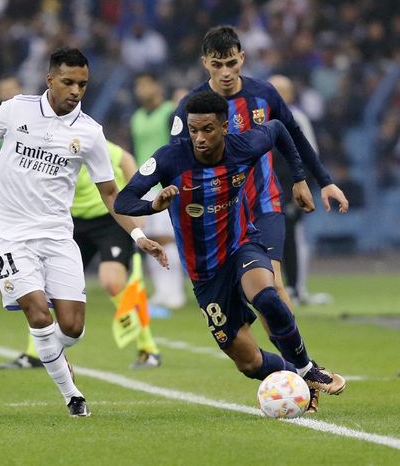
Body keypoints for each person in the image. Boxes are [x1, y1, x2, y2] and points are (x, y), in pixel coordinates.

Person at [0, 47, 168, 417]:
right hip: (10, 231)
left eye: (82, 84)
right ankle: (73, 396)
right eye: (68, 82)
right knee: (39, 314)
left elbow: (110, 193)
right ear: (49, 79)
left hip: (57, 234)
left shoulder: (89, 132)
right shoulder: (16, 109)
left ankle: (54, 354)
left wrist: (138, 235)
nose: (75, 90)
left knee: (71, 328)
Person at [116, 91, 346, 412]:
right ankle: (293, 376)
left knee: (266, 295)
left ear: (225, 126)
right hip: (205, 273)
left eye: (207, 129)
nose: (199, 138)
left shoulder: (244, 146)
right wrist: (152, 205)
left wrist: (298, 178)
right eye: (194, 130)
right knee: (249, 362)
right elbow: (122, 201)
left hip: (241, 245)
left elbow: (279, 128)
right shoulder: (170, 158)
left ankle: (308, 369)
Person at [0, 139, 163, 370]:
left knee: (113, 283)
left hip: (110, 222)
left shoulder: (103, 148)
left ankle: (148, 349)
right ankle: (35, 353)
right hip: (72, 224)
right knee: (45, 287)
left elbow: (130, 172)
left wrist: (137, 215)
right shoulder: (49, 149)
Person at [267, 74, 332, 306]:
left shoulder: (296, 117)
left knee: (292, 237)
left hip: (291, 186)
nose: (277, 94)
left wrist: (304, 186)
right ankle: (277, 286)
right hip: (267, 187)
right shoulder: (258, 118)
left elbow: (309, 153)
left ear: (290, 94)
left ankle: (297, 288)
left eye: (282, 90)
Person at [130, 72, 186, 311]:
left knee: (168, 239)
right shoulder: (136, 118)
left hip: (165, 185)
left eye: (145, 84)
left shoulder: (169, 114)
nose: (141, 90)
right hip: (144, 186)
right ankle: (162, 291)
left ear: (156, 86)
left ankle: (175, 292)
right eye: (138, 86)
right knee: (148, 240)